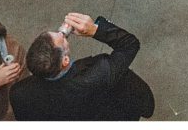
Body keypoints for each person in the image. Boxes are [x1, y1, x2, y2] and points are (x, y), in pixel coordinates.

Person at [10, 12, 154, 121]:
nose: (62, 33)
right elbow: (129, 44)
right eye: (62, 38)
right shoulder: (98, 74)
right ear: (65, 61)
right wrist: (95, 30)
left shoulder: (19, 93)